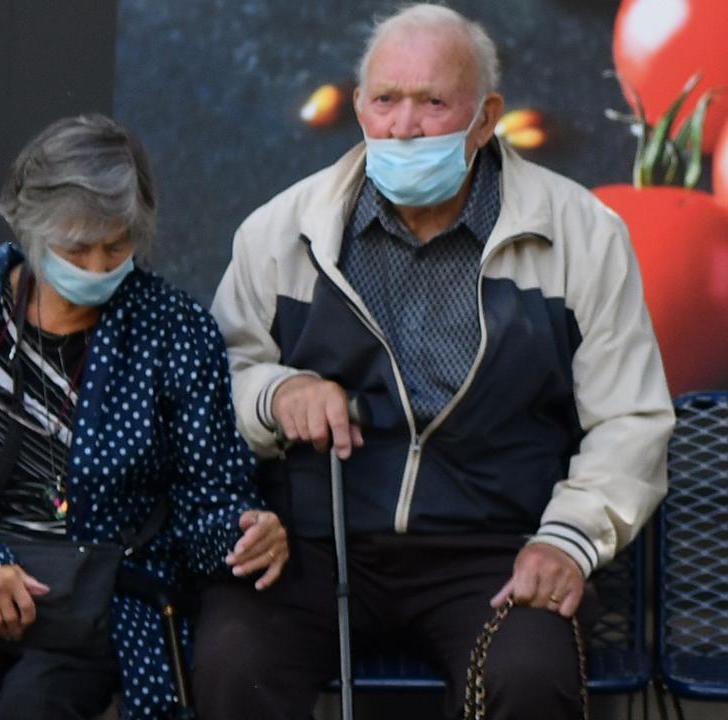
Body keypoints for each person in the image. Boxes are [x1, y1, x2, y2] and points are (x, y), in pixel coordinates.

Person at [199, 5, 674, 718]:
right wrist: (276, 392)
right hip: (314, 546)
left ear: (486, 119)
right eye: (386, 100)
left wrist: (567, 542)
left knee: (526, 679)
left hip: (495, 548)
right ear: (359, 107)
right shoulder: (281, 231)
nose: (404, 126)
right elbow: (216, 386)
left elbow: (630, 421)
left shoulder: (582, 235)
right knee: (232, 663)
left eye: (432, 103)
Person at [0, 113, 287, 720]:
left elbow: (207, 502)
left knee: (38, 704)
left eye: (116, 245)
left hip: (100, 603)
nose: (96, 266)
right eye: (75, 247)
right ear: (30, 229)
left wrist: (246, 533)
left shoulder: (175, 332)